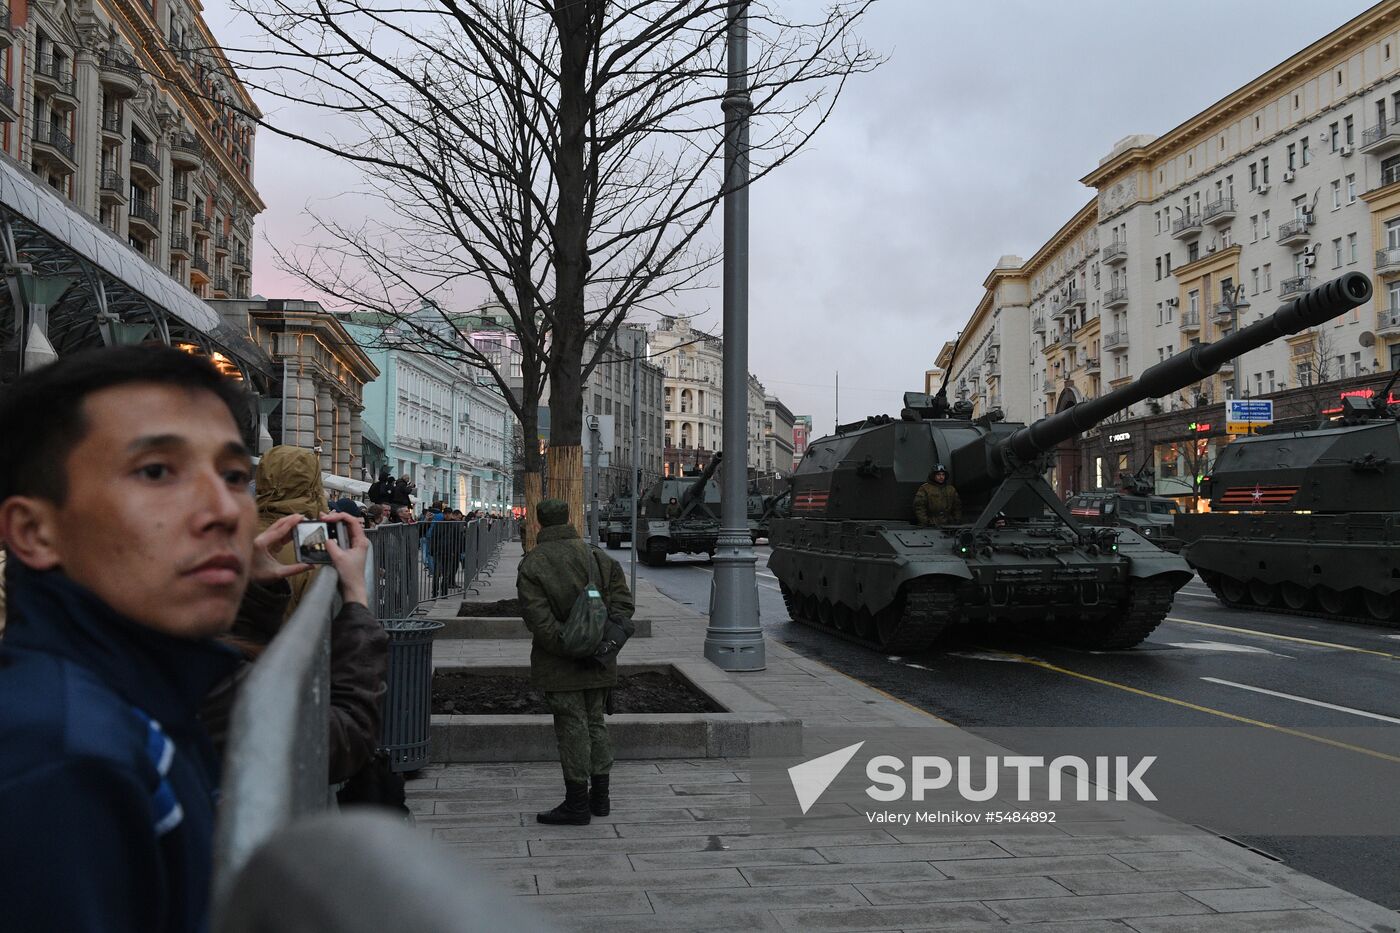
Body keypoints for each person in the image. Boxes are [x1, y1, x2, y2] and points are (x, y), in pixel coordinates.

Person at [0, 345, 344, 932]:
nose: (223, 510)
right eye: (157, 471)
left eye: (235, 476)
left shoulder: (140, 705)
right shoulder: (64, 764)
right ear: (34, 531)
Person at [517, 498, 634, 826]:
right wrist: (597, 643)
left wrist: (568, 645)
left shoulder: (533, 564)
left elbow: (537, 620)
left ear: (539, 523)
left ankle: (577, 804)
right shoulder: (598, 557)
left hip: (559, 663)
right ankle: (601, 799)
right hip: (599, 660)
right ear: (569, 518)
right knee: (595, 721)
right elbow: (623, 605)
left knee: (571, 727)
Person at [913, 463, 962, 528]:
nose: (941, 477)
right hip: (930, 524)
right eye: (938, 475)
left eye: (943, 474)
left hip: (949, 524)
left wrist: (956, 520)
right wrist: (926, 522)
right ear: (933, 476)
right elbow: (919, 507)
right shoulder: (925, 489)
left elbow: (957, 506)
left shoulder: (951, 489)